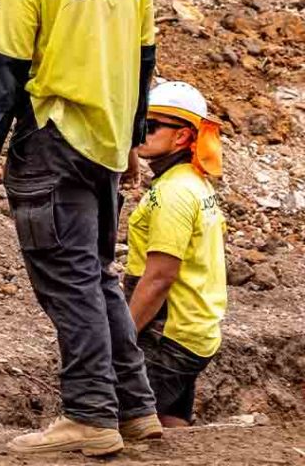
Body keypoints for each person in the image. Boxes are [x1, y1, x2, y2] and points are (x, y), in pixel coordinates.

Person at [0, 0, 160, 456]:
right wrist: (132, 139)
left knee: (70, 282)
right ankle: (133, 408)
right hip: (105, 141)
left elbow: (7, 64)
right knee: (96, 276)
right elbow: (143, 60)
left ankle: (88, 415)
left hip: (51, 139)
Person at [125, 80, 227, 428]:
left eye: (150, 126)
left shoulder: (174, 193)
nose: (141, 133)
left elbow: (159, 278)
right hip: (193, 331)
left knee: (120, 424)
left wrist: (121, 338)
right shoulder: (194, 184)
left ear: (182, 137)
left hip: (168, 335)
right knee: (171, 424)